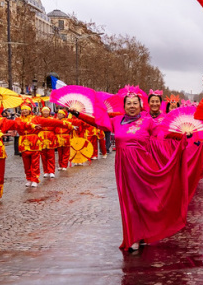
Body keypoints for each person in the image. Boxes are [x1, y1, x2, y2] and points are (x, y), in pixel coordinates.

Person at [76, 88, 188, 251]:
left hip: (144, 166)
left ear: (141, 105)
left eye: (135, 103)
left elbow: (165, 133)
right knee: (129, 203)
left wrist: (184, 135)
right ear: (124, 106)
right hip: (123, 167)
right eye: (129, 103)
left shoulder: (147, 121)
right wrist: (78, 114)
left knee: (145, 200)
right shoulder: (116, 121)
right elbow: (98, 122)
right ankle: (134, 236)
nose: (132, 106)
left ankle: (147, 231)